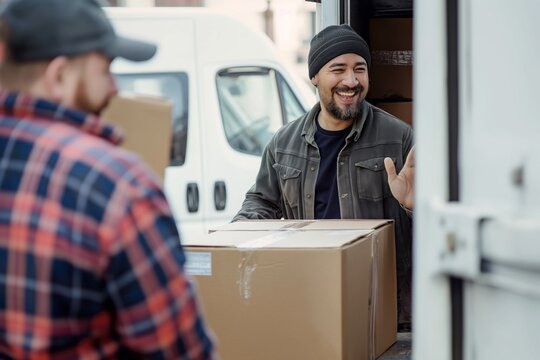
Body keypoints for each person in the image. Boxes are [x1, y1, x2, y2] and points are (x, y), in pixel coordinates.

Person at [0, 0, 215, 358]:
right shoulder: (114, 185)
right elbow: (180, 350)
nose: (115, 87)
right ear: (59, 77)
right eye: (106, 69)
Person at [233, 24, 415, 331]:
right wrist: (234, 237)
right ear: (314, 76)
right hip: (313, 303)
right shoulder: (283, 144)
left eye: (360, 69)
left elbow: (434, 230)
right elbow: (261, 202)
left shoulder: (398, 138)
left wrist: (413, 206)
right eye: (338, 69)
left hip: (384, 311)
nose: (351, 80)